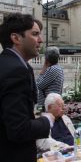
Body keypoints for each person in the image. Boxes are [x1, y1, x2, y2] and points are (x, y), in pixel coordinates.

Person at [0, 13, 54, 161]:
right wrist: (47, 120)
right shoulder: (16, 71)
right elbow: (18, 130)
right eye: (35, 34)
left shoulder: (8, 64)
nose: (41, 40)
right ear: (16, 38)